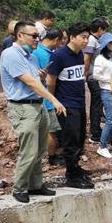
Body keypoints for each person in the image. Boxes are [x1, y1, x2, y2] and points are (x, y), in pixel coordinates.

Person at [0, 21, 67, 203]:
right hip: (22, 107)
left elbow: (36, 81)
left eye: (39, 36)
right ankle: (20, 188)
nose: (38, 39)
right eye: (34, 36)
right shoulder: (11, 55)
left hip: (38, 105)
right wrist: (53, 99)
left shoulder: (32, 57)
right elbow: (30, 82)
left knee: (40, 149)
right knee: (28, 150)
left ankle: (36, 185)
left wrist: (42, 78)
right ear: (20, 35)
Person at [47, 22, 94, 189]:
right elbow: (50, 81)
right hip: (66, 104)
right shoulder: (59, 56)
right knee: (71, 140)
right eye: (83, 37)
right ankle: (72, 176)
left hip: (80, 103)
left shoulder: (80, 55)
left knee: (80, 138)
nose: (86, 41)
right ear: (72, 37)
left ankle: (76, 168)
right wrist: (54, 101)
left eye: (87, 37)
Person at [31, 27, 66, 166]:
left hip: (38, 96)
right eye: (61, 40)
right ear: (56, 40)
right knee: (52, 130)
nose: (61, 44)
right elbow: (50, 80)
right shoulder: (46, 55)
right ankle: (52, 157)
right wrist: (54, 98)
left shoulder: (36, 50)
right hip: (47, 98)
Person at [93, 32, 112, 158]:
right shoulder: (100, 58)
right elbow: (96, 75)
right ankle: (102, 146)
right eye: (111, 43)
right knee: (110, 119)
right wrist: (111, 80)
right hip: (106, 91)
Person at [84, 17, 110, 144]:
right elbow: (87, 58)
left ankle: (96, 131)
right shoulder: (91, 40)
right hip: (94, 78)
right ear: (100, 29)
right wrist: (85, 75)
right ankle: (95, 134)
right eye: (105, 30)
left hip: (95, 77)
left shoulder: (95, 40)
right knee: (96, 106)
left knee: (98, 105)